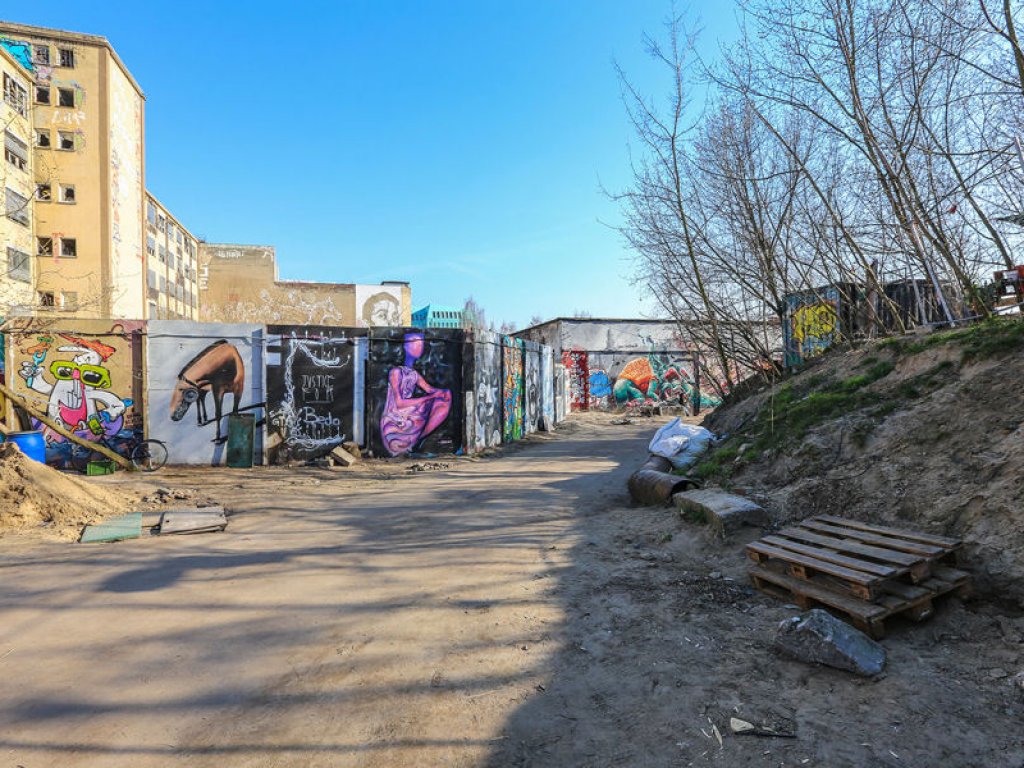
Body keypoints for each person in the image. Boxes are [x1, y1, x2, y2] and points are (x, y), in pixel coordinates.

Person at [380, 332, 451, 455]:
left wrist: (443, 393)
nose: (418, 347)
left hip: (408, 414)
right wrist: (430, 397)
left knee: (444, 399)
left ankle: (417, 439)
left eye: (420, 344)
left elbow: (430, 390)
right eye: (414, 343)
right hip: (394, 422)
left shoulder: (413, 374)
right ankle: (413, 440)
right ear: (405, 346)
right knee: (432, 401)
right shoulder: (396, 372)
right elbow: (399, 403)